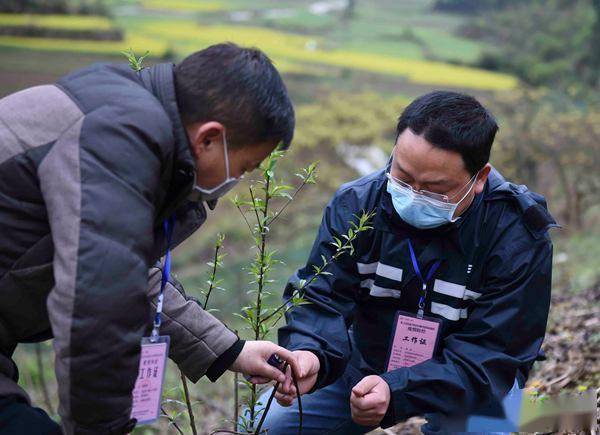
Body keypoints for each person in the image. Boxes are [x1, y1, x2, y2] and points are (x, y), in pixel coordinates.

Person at [0, 43, 299, 434]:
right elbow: (101, 300)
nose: (238, 180)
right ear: (210, 138)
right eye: (244, 167)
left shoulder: (125, 117)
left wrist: (231, 351)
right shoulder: (120, 138)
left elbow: (131, 272)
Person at [257, 91, 557, 434]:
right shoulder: (357, 205)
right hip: (364, 365)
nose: (413, 194)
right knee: (265, 426)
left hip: (472, 386)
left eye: (434, 188)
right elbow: (321, 296)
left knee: (488, 427)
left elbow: (493, 354)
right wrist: (312, 353)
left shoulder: (516, 236)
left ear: (480, 178)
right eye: (402, 176)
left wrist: (398, 389)